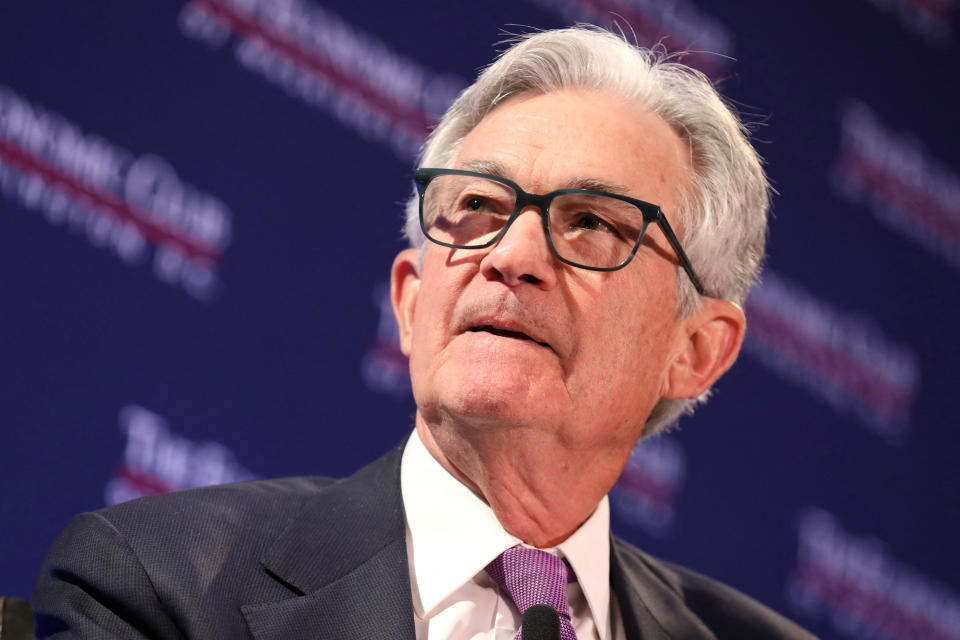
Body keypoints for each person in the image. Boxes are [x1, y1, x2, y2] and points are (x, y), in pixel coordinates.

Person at [32, 27, 815, 639]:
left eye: (592, 224)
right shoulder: (159, 585)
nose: (510, 257)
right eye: (478, 207)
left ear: (695, 349)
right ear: (411, 302)